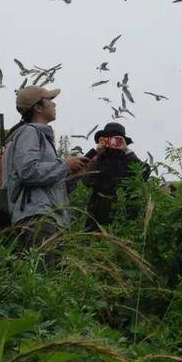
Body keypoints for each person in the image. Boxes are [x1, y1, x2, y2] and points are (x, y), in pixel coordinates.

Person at [9, 86, 88, 252]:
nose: (54, 104)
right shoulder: (29, 132)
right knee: (43, 273)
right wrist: (65, 165)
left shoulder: (43, 137)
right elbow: (28, 172)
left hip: (49, 218)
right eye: (50, 100)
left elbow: (51, 188)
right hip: (38, 218)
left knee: (50, 276)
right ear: (38, 107)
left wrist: (73, 175)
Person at [78, 122, 151, 231]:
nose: (112, 143)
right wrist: (96, 152)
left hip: (124, 212)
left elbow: (144, 173)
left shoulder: (129, 160)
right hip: (98, 214)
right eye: (109, 139)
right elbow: (84, 178)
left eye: (116, 140)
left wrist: (127, 151)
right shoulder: (99, 159)